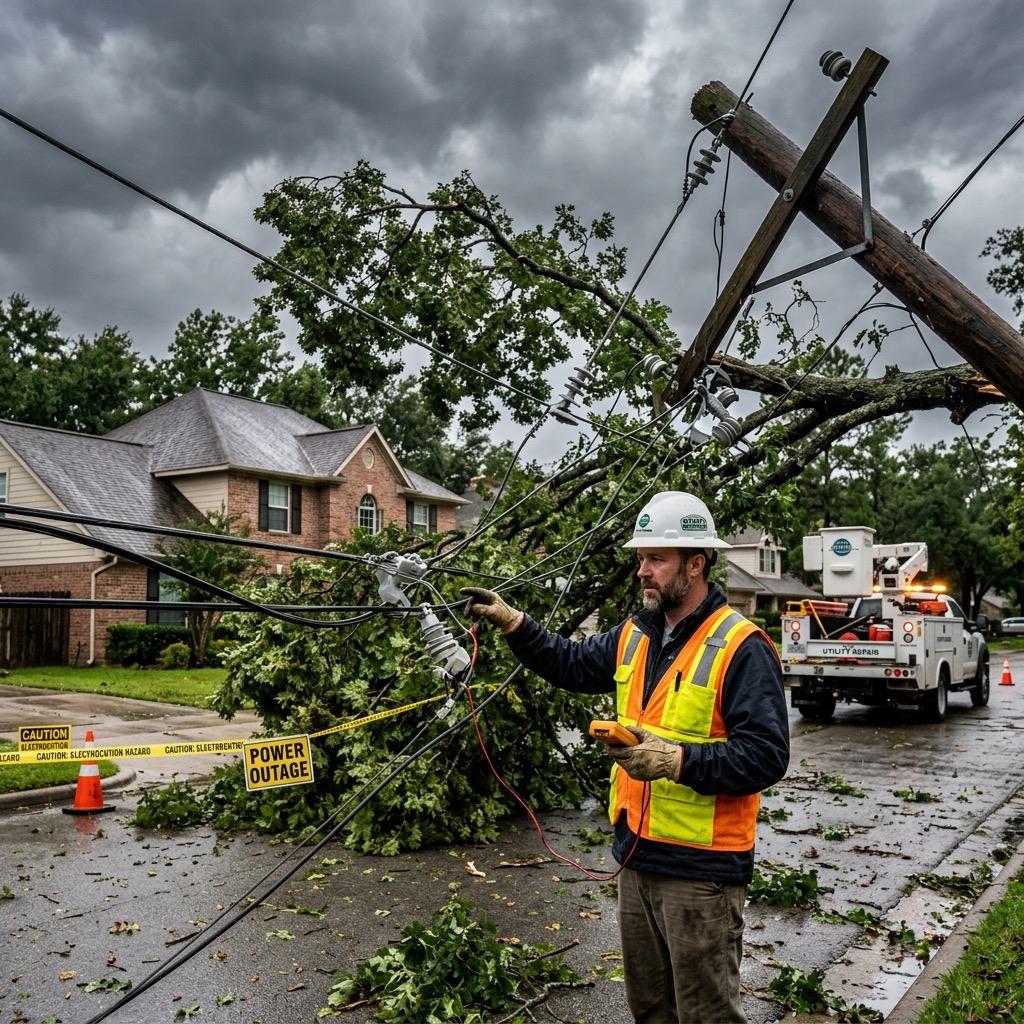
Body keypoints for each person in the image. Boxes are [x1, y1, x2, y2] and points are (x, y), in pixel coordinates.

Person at [462, 491, 789, 1024]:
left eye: (656, 559)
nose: (643, 571)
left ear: (695, 563)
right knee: (650, 1011)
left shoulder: (741, 645)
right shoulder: (637, 633)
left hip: (701, 873)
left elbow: (767, 756)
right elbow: (570, 664)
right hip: (637, 858)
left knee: (705, 1015)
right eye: (641, 559)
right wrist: (514, 623)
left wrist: (675, 761)